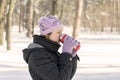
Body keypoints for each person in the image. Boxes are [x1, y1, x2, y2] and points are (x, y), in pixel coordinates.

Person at [23, 15, 80, 80]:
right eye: (58, 32)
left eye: (61, 32)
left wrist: (71, 57)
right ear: (47, 34)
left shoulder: (52, 51)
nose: (61, 35)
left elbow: (67, 76)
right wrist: (66, 55)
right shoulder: (37, 56)